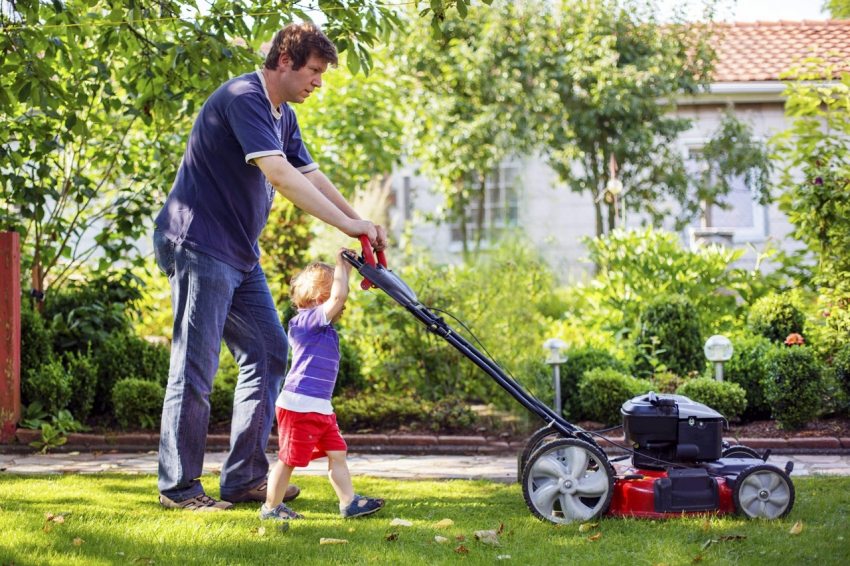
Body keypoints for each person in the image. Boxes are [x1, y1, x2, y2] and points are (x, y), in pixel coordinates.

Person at [152, 22, 386, 511]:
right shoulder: (244, 97)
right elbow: (279, 175)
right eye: (314, 71)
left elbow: (310, 173)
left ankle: (244, 480)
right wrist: (348, 224)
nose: (318, 82)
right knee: (195, 365)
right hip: (198, 242)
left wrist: (358, 224)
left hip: (238, 252)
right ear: (285, 61)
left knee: (269, 350)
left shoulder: (284, 116)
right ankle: (179, 488)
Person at [260, 251, 385, 521]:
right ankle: (270, 508)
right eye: (336, 293)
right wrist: (341, 265)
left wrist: (349, 268)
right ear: (319, 298)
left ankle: (348, 503)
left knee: (337, 453)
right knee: (289, 459)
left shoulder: (325, 329)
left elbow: (340, 294)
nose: (344, 301)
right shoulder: (305, 322)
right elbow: (339, 297)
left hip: (321, 409)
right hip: (299, 407)